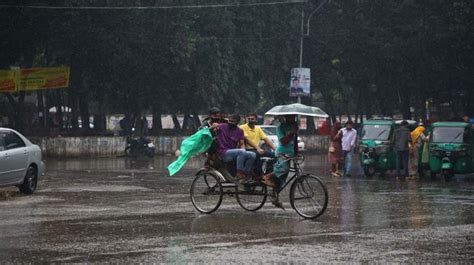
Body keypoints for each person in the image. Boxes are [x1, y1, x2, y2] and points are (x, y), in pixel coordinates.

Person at [214, 114, 256, 184]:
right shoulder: (222, 126)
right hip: (223, 152)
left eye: (232, 121)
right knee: (241, 152)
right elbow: (214, 128)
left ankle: (245, 174)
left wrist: (244, 151)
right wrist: (214, 126)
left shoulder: (240, 131)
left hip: (233, 152)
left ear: (237, 122)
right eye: (229, 121)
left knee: (252, 154)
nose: (230, 122)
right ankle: (239, 174)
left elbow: (242, 143)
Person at [262, 115, 298, 188]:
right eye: (291, 117)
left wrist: (296, 153)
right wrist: (292, 133)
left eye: (294, 117)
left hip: (291, 153)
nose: (293, 118)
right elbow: (283, 141)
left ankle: (276, 191)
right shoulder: (280, 127)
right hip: (282, 152)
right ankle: (267, 177)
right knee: (283, 169)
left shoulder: (294, 126)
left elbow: (295, 141)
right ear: (286, 117)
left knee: (283, 177)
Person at [239, 113, 276, 177]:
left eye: (252, 119)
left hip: (256, 150)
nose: (250, 120)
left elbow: (266, 140)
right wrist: (258, 148)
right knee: (258, 157)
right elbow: (247, 140)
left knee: (275, 155)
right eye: (249, 119)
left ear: (256, 120)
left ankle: (268, 174)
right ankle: (254, 175)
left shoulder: (258, 129)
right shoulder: (242, 127)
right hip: (247, 150)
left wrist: (275, 149)